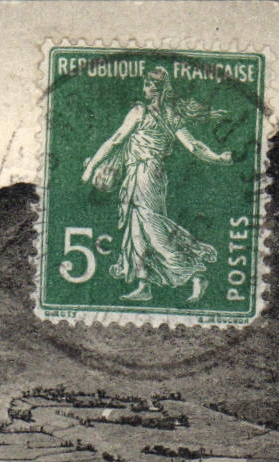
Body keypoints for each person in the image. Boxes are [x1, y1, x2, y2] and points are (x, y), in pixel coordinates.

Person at [80, 65, 233, 303]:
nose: (144, 88)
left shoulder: (140, 111)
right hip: (151, 175)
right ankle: (144, 285)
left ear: (156, 89)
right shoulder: (173, 116)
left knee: (151, 228)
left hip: (144, 174)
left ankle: (195, 274)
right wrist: (218, 158)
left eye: (147, 84)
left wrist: (91, 167)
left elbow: (117, 139)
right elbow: (194, 147)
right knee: (137, 229)